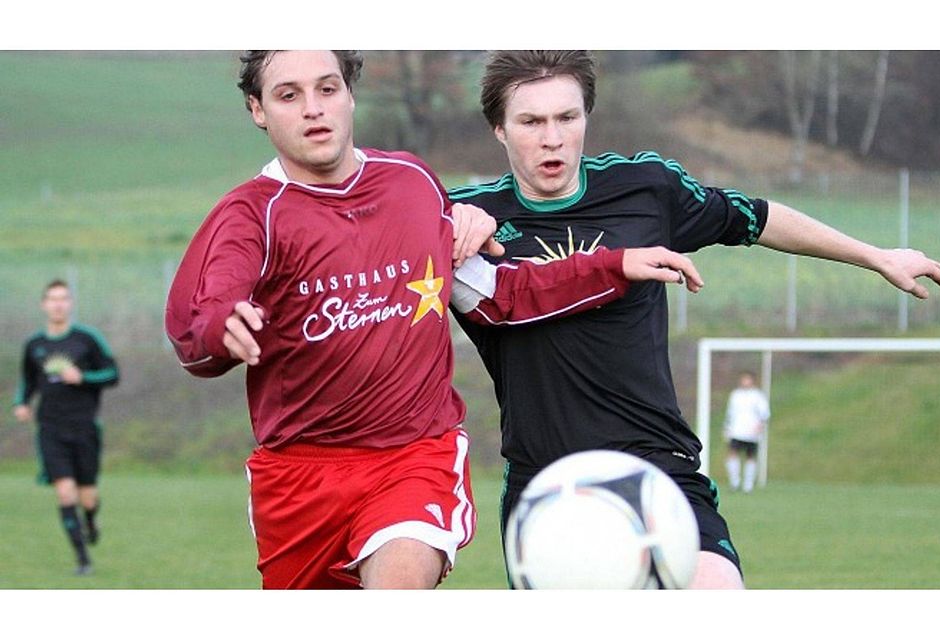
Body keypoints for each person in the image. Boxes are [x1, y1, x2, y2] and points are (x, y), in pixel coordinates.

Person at [164, 49, 704, 590]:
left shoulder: (412, 184)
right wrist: (220, 329)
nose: (313, 109)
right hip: (300, 477)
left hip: (415, 456)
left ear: (350, 94)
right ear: (258, 109)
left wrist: (613, 265)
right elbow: (200, 323)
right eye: (288, 95)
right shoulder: (250, 212)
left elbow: (500, 294)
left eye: (327, 89)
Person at [448, 50, 940, 589]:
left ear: (586, 118)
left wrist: (876, 255)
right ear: (499, 129)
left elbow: (755, 218)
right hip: (547, 479)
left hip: (657, 464)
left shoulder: (645, 188)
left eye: (567, 118)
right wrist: (448, 221)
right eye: (531, 121)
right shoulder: (462, 221)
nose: (552, 138)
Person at [12, 279, 120, 576]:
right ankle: (83, 560)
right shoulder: (35, 345)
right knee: (65, 493)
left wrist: (82, 377)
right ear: (43, 305)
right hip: (50, 428)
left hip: (84, 428)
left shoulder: (87, 339)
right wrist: (21, 403)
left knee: (87, 496)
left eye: (63, 298)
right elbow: (27, 380)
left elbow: (112, 373)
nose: (58, 304)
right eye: (52, 299)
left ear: (70, 304)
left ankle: (90, 519)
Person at [723, 372, 770, 493]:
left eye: (747, 379)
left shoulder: (757, 396)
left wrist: (760, 426)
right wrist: (727, 428)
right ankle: (735, 482)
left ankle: (748, 484)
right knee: (732, 454)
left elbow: (764, 414)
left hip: (751, 433)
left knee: (750, 457)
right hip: (736, 431)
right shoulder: (735, 395)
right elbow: (730, 413)